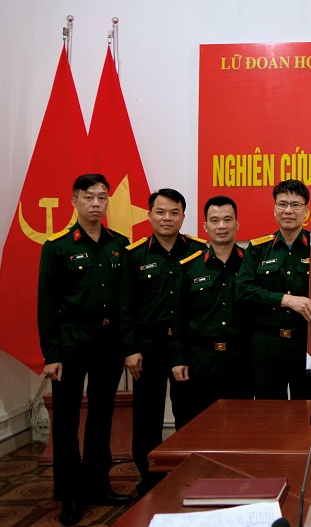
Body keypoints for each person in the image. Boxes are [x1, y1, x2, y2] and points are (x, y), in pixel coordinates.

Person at [38, 174, 133, 525]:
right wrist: (51, 354)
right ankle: (70, 495)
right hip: (71, 344)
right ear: (74, 201)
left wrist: (127, 345)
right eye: (89, 197)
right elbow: (46, 305)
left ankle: (98, 485)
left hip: (108, 344)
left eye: (102, 197)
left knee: (101, 417)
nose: (96, 203)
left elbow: (125, 301)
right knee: (65, 422)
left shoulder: (119, 244)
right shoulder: (57, 247)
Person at [118, 188, 206, 495]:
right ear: (149, 215)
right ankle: (149, 482)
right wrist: (130, 349)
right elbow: (124, 306)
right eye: (161, 212)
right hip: (148, 350)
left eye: (174, 212)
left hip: (187, 348)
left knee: (189, 415)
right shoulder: (134, 255)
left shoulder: (198, 251)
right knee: (147, 419)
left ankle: (189, 477)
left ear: (183, 216)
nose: (167, 218)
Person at [236, 179, 311, 399]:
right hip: (266, 346)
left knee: (308, 411)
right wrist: (285, 300)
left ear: (306, 210)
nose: (288, 210)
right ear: (274, 209)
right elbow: (243, 291)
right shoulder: (257, 249)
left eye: (295, 205)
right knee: (269, 413)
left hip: (308, 346)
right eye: (282, 204)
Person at [172, 195, 252, 428]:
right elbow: (179, 316)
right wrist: (179, 358)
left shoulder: (250, 264)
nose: (221, 226)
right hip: (201, 360)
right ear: (205, 226)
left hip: (241, 359)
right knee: (198, 426)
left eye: (227, 219)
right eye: (215, 220)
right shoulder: (190, 266)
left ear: (237, 224)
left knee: (241, 426)